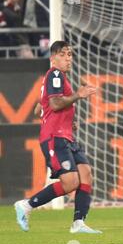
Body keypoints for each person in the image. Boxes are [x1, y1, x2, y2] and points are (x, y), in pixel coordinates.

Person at [14, 41, 102, 233]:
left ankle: (78, 223)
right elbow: (54, 104)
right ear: (53, 57)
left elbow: (40, 108)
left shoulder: (59, 79)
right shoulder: (54, 74)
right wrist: (78, 95)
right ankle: (26, 205)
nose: (68, 58)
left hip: (65, 135)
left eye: (70, 54)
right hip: (55, 137)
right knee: (70, 182)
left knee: (85, 173)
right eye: (63, 54)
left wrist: (65, 121)